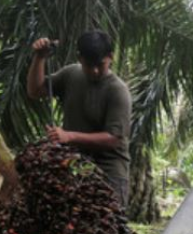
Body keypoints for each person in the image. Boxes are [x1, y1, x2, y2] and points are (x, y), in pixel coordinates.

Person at [27, 30, 132, 206]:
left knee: (106, 227)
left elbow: (114, 139)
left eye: (100, 64)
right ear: (79, 58)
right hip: (75, 167)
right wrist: (40, 58)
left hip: (109, 173)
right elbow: (35, 91)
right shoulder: (71, 74)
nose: (95, 70)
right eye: (88, 65)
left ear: (111, 57)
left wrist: (69, 136)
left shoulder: (118, 91)